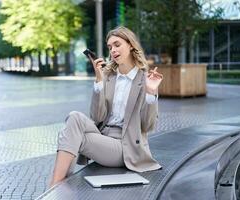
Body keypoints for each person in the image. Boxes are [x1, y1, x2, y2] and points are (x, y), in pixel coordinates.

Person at [50, 26, 163, 187]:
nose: (113, 50)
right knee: (74, 116)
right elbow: (97, 117)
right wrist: (99, 81)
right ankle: (57, 185)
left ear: (130, 45)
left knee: (72, 137)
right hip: (102, 135)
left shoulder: (144, 79)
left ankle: (55, 187)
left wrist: (151, 93)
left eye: (117, 45)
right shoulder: (109, 76)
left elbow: (148, 125)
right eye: (110, 47)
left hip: (125, 145)